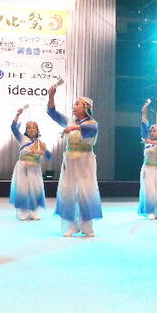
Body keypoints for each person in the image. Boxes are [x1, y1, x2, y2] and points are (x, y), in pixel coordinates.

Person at [47, 88, 102, 237]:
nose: (74, 106)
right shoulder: (69, 121)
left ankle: (87, 227)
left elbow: (92, 128)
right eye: (74, 104)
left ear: (86, 107)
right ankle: (69, 226)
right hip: (70, 160)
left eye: (77, 104)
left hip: (85, 161)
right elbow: (52, 113)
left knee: (86, 192)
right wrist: (51, 97)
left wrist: (74, 127)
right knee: (67, 191)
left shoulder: (92, 123)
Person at [9, 107, 50, 221]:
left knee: (35, 189)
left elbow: (48, 156)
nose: (32, 130)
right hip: (22, 167)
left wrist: (42, 152)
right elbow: (13, 128)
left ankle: (34, 212)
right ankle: (22, 212)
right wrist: (17, 115)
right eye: (29, 128)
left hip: (34, 168)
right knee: (23, 189)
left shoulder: (40, 143)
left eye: (34, 128)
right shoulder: (22, 138)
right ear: (26, 130)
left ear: (37, 130)